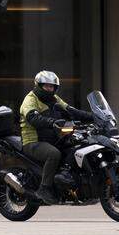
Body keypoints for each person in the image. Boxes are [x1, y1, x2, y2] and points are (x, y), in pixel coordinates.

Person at [20, 70, 94, 204]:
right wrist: (52, 122)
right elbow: (33, 118)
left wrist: (93, 116)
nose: (50, 89)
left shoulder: (55, 99)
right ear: (38, 85)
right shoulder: (30, 99)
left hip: (53, 139)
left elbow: (71, 110)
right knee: (53, 154)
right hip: (33, 141)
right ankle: (44, 188)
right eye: (46, 86)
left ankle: (72, 184)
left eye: (52, 86)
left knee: (77, 145)